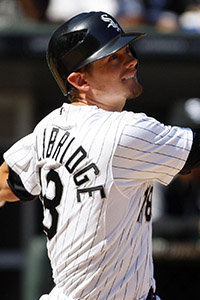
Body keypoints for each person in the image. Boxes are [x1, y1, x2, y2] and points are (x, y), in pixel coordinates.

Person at [0, 10, 199, 300]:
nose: (131, 61)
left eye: (127, 50)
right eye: (113, 58)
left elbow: (6, 181)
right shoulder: (123, 131)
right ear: (80, 80)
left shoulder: (47, 128)